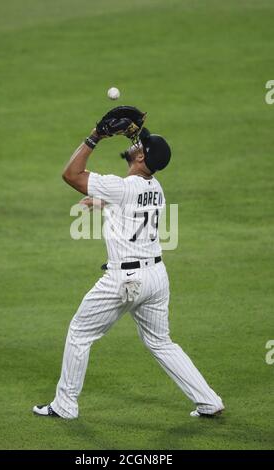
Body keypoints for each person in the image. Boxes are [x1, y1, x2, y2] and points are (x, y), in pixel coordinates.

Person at [33, 121, 224, 419]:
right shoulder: (155, 188)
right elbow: (132, 208)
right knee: (161, 342)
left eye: (140, 144)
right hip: (156, 279)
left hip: (125, 280)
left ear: (141, 158)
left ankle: (65, 405)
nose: (135, 143)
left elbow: (70, 174)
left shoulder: (120, 187)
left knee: (80, 333)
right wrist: (102, 203)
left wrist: (95, 137)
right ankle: (208, 400)